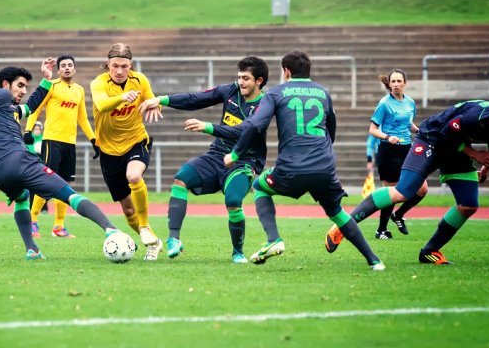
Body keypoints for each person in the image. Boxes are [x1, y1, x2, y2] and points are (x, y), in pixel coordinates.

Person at [0, 58, 123, 260]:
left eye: (26, 87)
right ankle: (111, 229)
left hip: (0, 173)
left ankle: (32, 249)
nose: (24, 91)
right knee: (69, 194)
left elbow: (30, 107)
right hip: (20, 161)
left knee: (22, 198)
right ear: (6, 84)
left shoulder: (7, 109)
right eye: (20, 85)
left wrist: (46, 80)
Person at [223, 50, 385, 270]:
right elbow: (331, 129)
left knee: (259, 187)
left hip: (292, 167)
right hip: (324, 167)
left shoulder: (276, 93)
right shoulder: (323, 93)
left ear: (286, 71)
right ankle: (374, 260)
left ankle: (273, 239)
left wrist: (235, 154)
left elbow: (254, 125)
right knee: (337, 213)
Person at [325, 100, 489, 265]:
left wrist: (485, 168)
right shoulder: (477, 116)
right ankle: (343, 226)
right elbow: (446, 133)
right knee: (402, 192)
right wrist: (474, 154)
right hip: (432, 139)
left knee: (468, 205)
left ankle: (429, 251)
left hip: (457, 149)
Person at [139, 56, 269, 263]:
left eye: (246, 78)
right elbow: (196, 98)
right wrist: (161, 100)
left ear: (259, 81)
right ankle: (174, 239)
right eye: (239, 77)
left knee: (233, 201)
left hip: (244, 162)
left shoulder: (265, 105)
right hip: (216, 155)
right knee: (181, 179)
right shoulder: (231, 90)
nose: (240, 82)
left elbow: (245, 131)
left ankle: (238, 252)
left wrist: (208, 127)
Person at [90, 43, 163, 261]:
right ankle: (154, 242)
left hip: (136, 141)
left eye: (124, 66)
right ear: (108, 64)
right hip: (108, 150)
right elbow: (102, 105)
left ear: (131, 65)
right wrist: (123, 98)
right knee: (129, 210)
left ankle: (145, 226)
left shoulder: (140, 80)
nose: (120, 71)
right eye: (115, 66)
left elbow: (151, 99)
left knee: (134, 176)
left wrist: (154, 105)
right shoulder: (98, 83)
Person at [23, 55, 99, 239]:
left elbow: (82, 117)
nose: (67, 68)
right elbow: (36, 109)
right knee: (45, 181)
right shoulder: (52, 86)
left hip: (69, 143)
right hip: (52, 141)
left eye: (70, 65)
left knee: (65, 184)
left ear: (74, 69)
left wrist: (93, 139)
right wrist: (28, 130)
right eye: (63, 65)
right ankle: (32, 222)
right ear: (58, 70)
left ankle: (58, 226)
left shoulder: (79, 90)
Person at [368, 69, 427, 239]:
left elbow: (408, 124)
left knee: (422, 189)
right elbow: (372, 129)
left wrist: (420, 131)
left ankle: (399, 214)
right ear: (389, 84)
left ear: (404, 83)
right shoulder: (384, 104)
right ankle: (381, 230)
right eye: (393, 81)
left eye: (399, 81)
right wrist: (388, 137)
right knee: (392, 192)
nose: (396, 84)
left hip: (408, 149)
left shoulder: (410, 103)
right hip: (389, 150)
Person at [25, 120, 48, 214]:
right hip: (31, 166)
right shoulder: (29, 139)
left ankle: (44, 209)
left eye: (39, 129)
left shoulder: (43, 139)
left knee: (43, 188)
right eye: (35, 129)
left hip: (41, 166)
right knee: (31, 188)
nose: (37, 131)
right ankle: (31, 208)